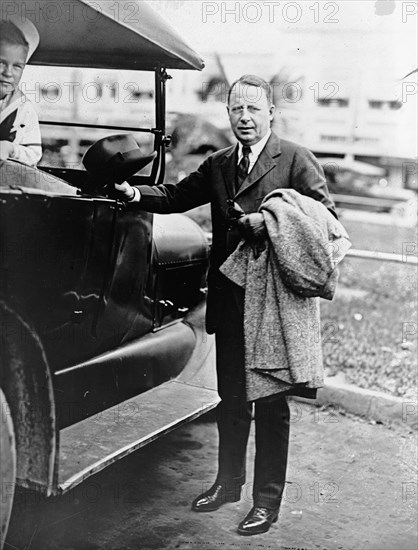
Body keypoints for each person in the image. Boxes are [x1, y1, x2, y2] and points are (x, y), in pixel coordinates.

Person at [110, 74, 337, 536]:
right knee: (231, 400)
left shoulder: (296, 160)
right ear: (228, 114)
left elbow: (326, 223)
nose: (245, 118)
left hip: (274, 304)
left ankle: (267, 502)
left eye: (254, 108)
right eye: (237, 110)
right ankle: (227, 484)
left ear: (271, 112)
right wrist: (134, 193)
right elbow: (175, 196)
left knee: (272, 405)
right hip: (230, 300)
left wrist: (270, 223)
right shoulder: (218, 164)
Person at [0, 18, 42, 167]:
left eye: (17, 66)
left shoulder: (24, 109)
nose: (8, 73)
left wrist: (10, 148)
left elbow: (34, 154)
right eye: (1, 63)